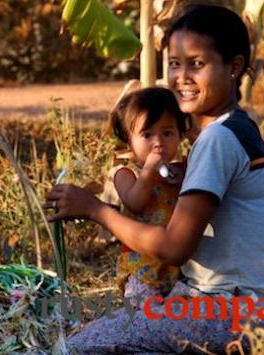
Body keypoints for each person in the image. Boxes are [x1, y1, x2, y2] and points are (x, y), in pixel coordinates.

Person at [46, 4, 264, 353]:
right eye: (175, 64)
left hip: (237, 312)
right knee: (109, 329)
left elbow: (173, 248)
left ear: (234, 67)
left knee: (73, 348)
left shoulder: (217, 139)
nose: (182, 76)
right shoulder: (237, 128)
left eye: (197, 63)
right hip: (262, 310)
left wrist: (95, 209)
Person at [105, 87, 187, 303]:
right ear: (129, 141)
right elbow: (136, 203)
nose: (158, 142)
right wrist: (149, 172)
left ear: (180, 134)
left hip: (176, 268)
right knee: (143, 314)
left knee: (174, 317)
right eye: (147, 135)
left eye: (167, 133)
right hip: (142, 268)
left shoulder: (181, 170)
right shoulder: (126, 173)